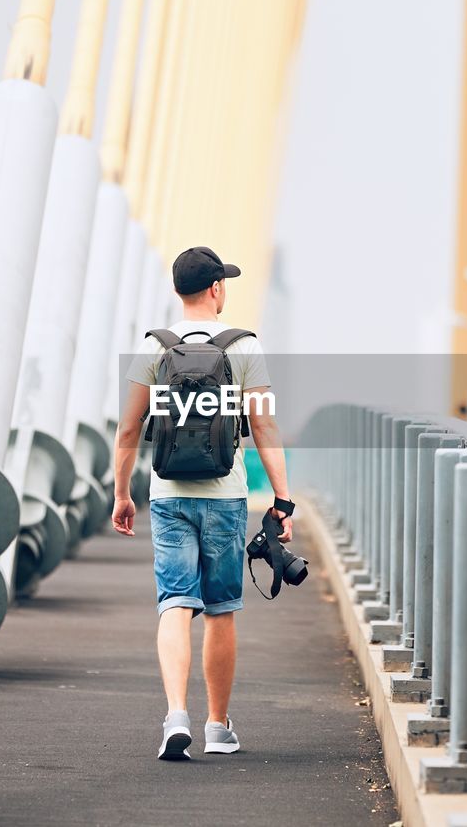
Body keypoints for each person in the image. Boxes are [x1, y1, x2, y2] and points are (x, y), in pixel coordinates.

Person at [111, 245, 293, 761]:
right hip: (225, 496)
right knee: (220, 610)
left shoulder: (153, 346)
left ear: (176, 290)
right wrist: (283, 499)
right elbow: (263, 426)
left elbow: (128, 428)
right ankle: (217, 725)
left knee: (174, 603)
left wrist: (123, 493)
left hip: (167, 495)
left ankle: (175, 715)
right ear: (215, 289)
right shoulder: (245, 346)